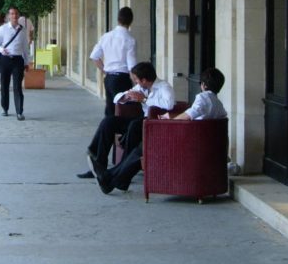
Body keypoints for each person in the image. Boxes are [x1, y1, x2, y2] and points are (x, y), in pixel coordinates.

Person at [93, 67, 226, 194]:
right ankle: (113, 179)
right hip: (197, 143)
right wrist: (171, 116)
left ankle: (110, 177)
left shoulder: (203, 98)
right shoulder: (218, 105)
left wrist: (168, 122)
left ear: (203, 84)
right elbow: (194, 115)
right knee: (140, 148)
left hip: (187, 143)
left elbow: (188, 116)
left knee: (143, 148)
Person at [82, 61, 174, 179]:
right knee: (109, 122)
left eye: (137, 80)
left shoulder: (164, 87)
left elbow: (169, 105)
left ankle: (121, 169)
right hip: (142, 119)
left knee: (134, 126)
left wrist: (145, 100)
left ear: (144, 80)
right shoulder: (141, 87)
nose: (135, 82)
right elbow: (117, 98)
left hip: (154, 122)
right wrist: (126, 96)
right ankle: (99, 164)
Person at [76, 6, 137, 179]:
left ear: (118, 19)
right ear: (130, 21)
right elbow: (132, 67)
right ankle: (117, 161)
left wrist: (105, 70)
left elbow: (94, 56)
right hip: (123, 79)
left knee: (110, 116)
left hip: (109, 79)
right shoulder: (130, 40)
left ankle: (100, 159)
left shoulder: (106, 36)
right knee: (123, 118)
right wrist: (137, 85)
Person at [0, 7, 31, 120]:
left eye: (16, 14)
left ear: (18, 16)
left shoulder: (22, 30)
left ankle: (19, 111)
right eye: (12, 14)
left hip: (18, 60)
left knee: (17, 87)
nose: (14, 16)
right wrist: (0, 50)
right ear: (9, 16)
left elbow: (25, 48)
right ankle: (5, 108)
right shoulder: (3, 29)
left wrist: (27, 62)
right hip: (5, 60)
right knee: (4, 85)